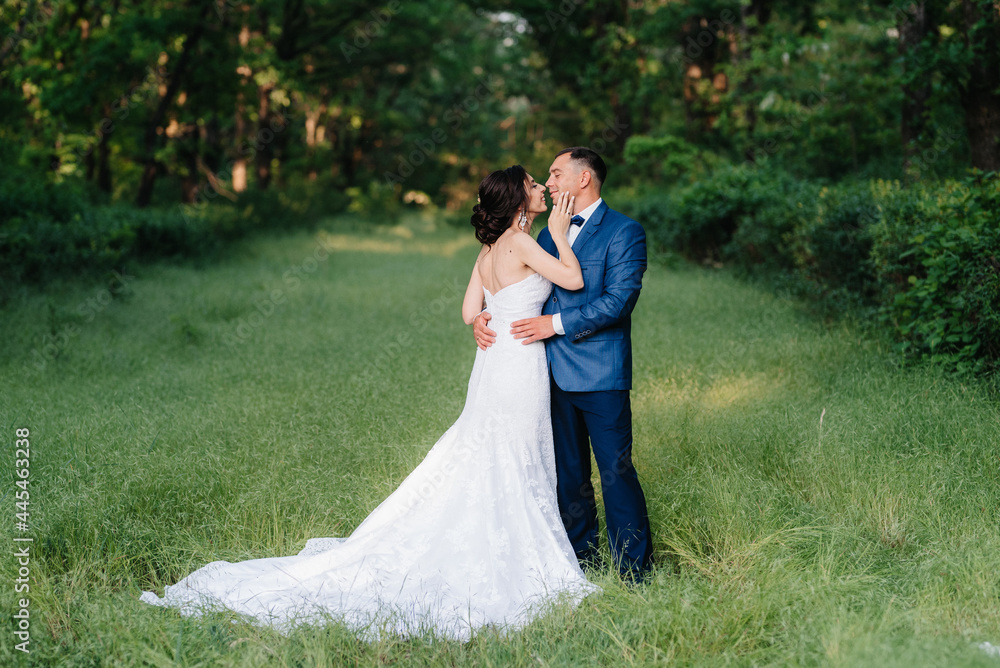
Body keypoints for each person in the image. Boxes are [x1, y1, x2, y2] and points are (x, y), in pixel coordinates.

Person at [140, 165, 599, 641]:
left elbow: (467, 312)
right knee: (515, 453)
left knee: (490, 450)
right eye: (532, 184)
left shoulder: (486, 250)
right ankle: (520, 556)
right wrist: (561, 236)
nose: (542, 188)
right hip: (518, 365)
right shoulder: (523, 242)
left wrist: (491, 315)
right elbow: (570, 279)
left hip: (494, 362)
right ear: (517, 197)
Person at [473, 147, 653, 581]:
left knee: (615, 472)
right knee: (568, 476)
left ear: (584, 179)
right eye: (546, 178)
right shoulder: (544, 234)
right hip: (543, 373)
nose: (549, 184)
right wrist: (484, 316)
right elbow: (523, 287)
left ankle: (634, 571)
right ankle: (578, 561)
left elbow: (619, 301)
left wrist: (554, 324)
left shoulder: (624, 231)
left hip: (600, 374)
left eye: (555, 175)